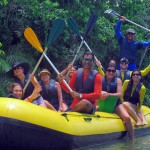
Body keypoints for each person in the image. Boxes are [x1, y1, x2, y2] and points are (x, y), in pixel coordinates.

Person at [98, 64, 134, 140]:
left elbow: (120, 94)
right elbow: (96, 91)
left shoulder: (118, 80)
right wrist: (101, 92)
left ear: (115, 72)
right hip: (103, 104)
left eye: (113, 71)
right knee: (91, 109)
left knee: (127, 118)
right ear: (106, 71)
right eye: (109, 70)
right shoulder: (100, 79)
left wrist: (108, 94)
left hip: (116, 104)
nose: (111, 72)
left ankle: (132, 139)